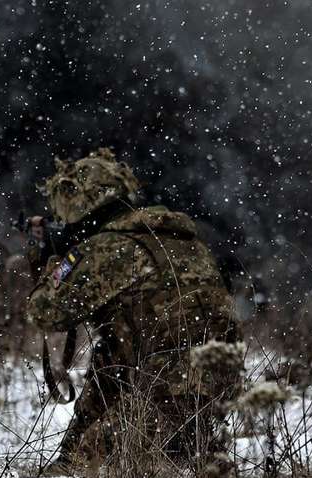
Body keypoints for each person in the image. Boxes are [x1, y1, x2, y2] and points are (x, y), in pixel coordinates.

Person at [24, 148, 241, 475]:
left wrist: (52, 259)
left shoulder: (111, 247)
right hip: (215, 384)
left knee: (89, 464)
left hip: (168, 389)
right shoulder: (177, 238)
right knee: (112, 354)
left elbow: (45, 312)